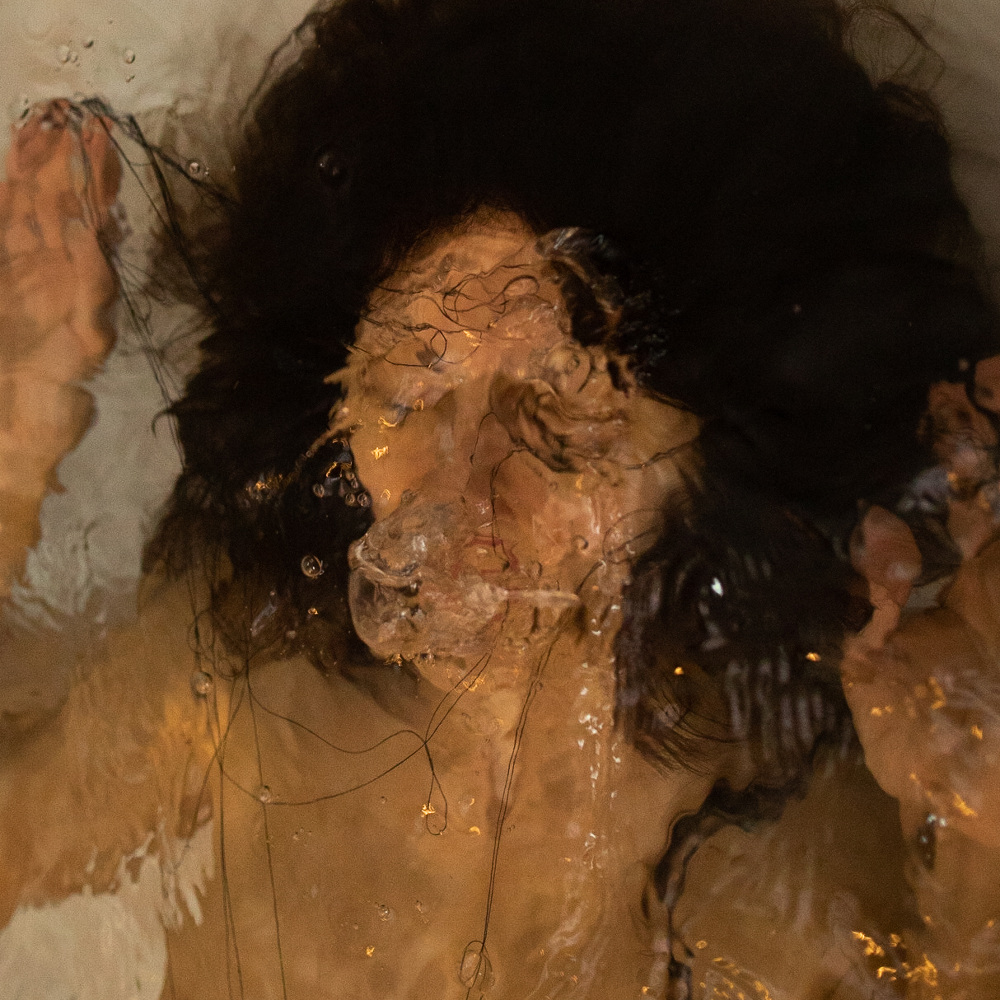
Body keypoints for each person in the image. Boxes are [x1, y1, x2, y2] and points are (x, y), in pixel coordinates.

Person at [2, 0, 1000, 996]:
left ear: (722, 472)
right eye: (406, 394)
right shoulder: (243, 688)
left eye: (556, 423)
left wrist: (970, 831)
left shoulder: (766, 822)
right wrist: (23, 432)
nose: (454, 493)